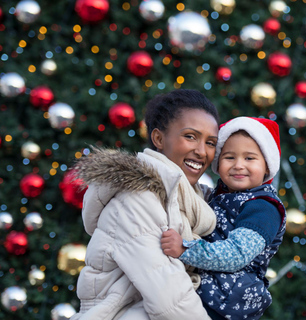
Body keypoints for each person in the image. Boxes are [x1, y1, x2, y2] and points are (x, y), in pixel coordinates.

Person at [72, 89, 220, 320]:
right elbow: (168, 296)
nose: (202, 151)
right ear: (159, 138)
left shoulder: (196, 202)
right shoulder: (136, 197)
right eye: (190, 136)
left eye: (210, 142)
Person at [161, 116, 286, 320]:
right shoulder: (219, 195)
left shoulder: (263, 207)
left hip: (228, 299)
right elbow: (192, 196)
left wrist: (184, 249)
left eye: (249, 158)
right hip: (208, 288)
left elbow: (236, 254)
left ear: (266, 166)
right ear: (218, 164)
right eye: (229, 157)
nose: (238, 165)